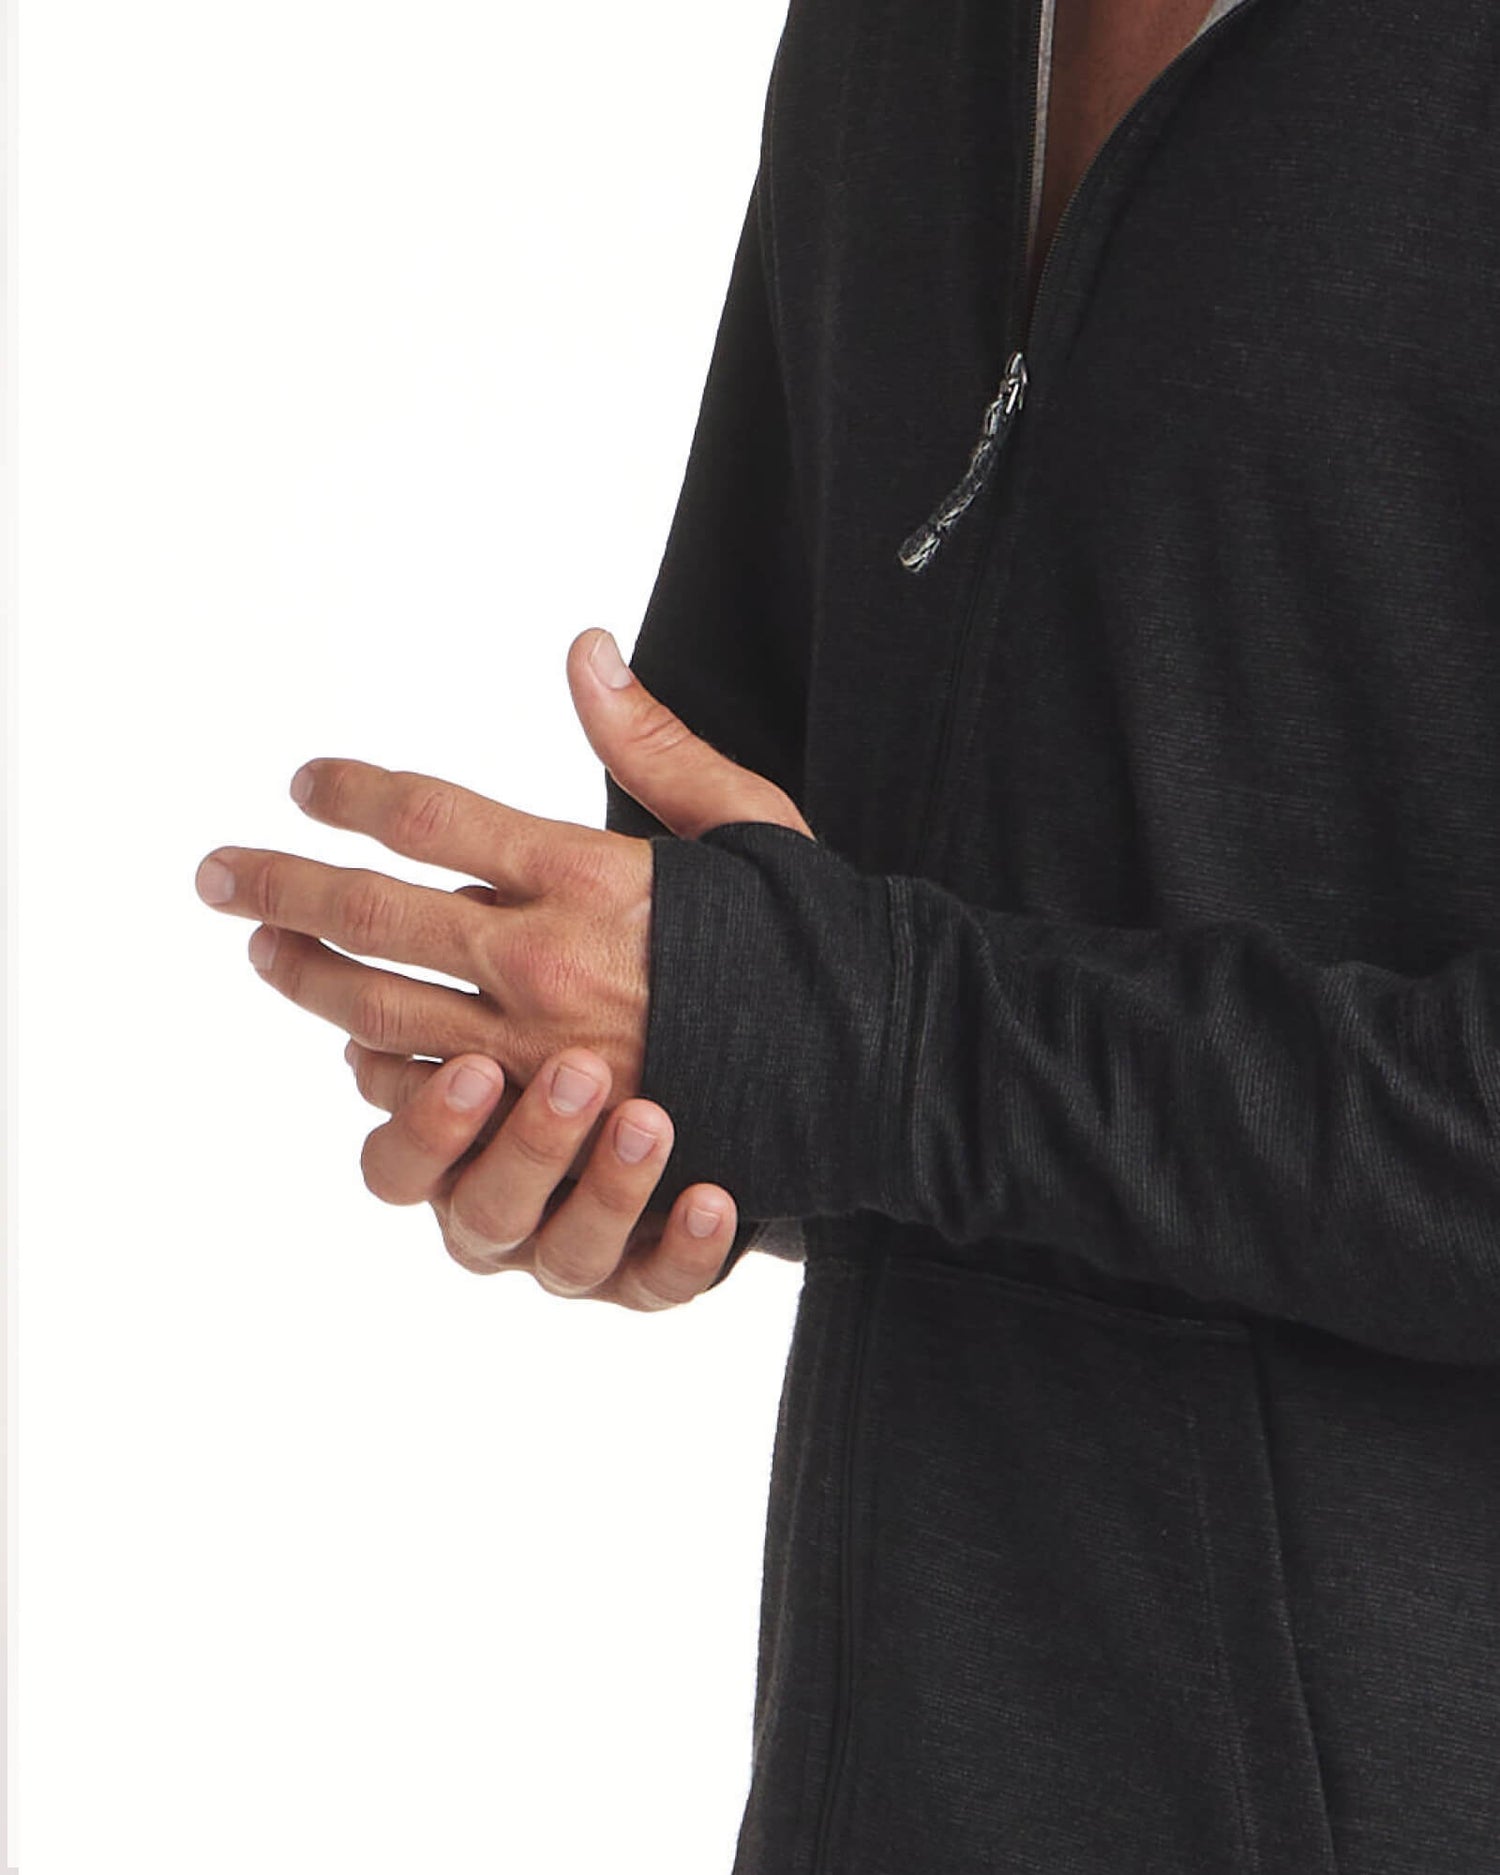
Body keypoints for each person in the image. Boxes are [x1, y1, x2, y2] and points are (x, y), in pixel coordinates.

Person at [196, 0, 1500, 1867]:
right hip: (900, 1765)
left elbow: (863, 1017)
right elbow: (790, 908)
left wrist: (842, 1040)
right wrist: (631, 1106)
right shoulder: (896, 37)